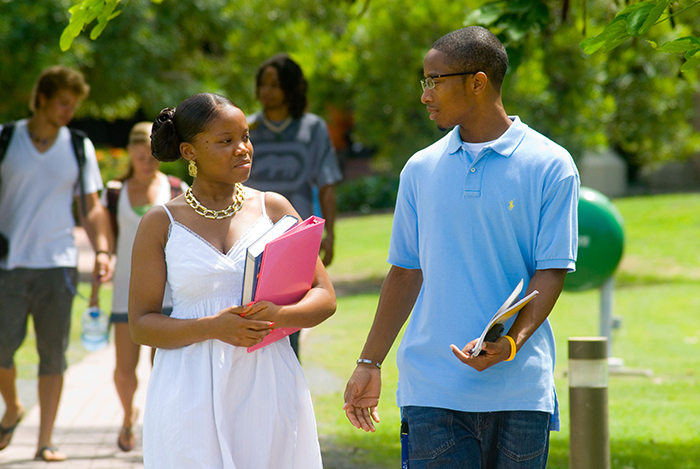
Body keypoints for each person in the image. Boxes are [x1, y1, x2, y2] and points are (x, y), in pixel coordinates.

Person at [343, 27, 579, 468]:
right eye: (424, 82)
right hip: (431, 389)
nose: (425, 95)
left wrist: (510, 345)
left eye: (435, 81)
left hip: (520, 391)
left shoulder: (551, 164)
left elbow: (550, 271)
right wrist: (368, 362)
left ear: (478, 82)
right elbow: (405, 272)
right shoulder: (420, 169)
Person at [128, 92, 336, 468]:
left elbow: (325, 297)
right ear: (190, 152)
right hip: (188, 384)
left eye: (246, 136)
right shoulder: (160, 223)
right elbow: (141, 326)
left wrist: (280, 315)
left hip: (267, 380)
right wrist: (213, 327)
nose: (243, 149)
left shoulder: (274, 209)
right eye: (226, 141)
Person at [0, 65, 114, 462]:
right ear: (44, 97)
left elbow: (93, 208)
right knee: (1, 351)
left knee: (53, 355)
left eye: (74, 104)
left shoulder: (78, 146)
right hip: (7, 264)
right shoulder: (6, 138)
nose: (69, 110)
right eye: (63, 102)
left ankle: (44, 440)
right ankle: (12, 407)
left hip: (58, 264)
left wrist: (102, 249)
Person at [91, 121, 187, 452]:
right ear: (131, 153)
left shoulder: (177, 189)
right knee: (123, 369)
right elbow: (104, 234)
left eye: (152, 156)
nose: (146, 162)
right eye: (140, 155)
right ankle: (128, 415)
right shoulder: (114, 192)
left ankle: (159, 423)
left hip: (171, 294)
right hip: (125, 292)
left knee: (162, 365)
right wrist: (103, 256)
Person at [246, 53, 343, 359]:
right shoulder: (247, 128)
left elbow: (326, 184)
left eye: (274, 84)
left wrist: (329, 235)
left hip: (294, 237)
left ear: (290, 88)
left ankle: (287, 377)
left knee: (289, 314)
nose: (266, 91)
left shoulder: (312, 129)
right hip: (249, 233)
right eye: (262, 84)